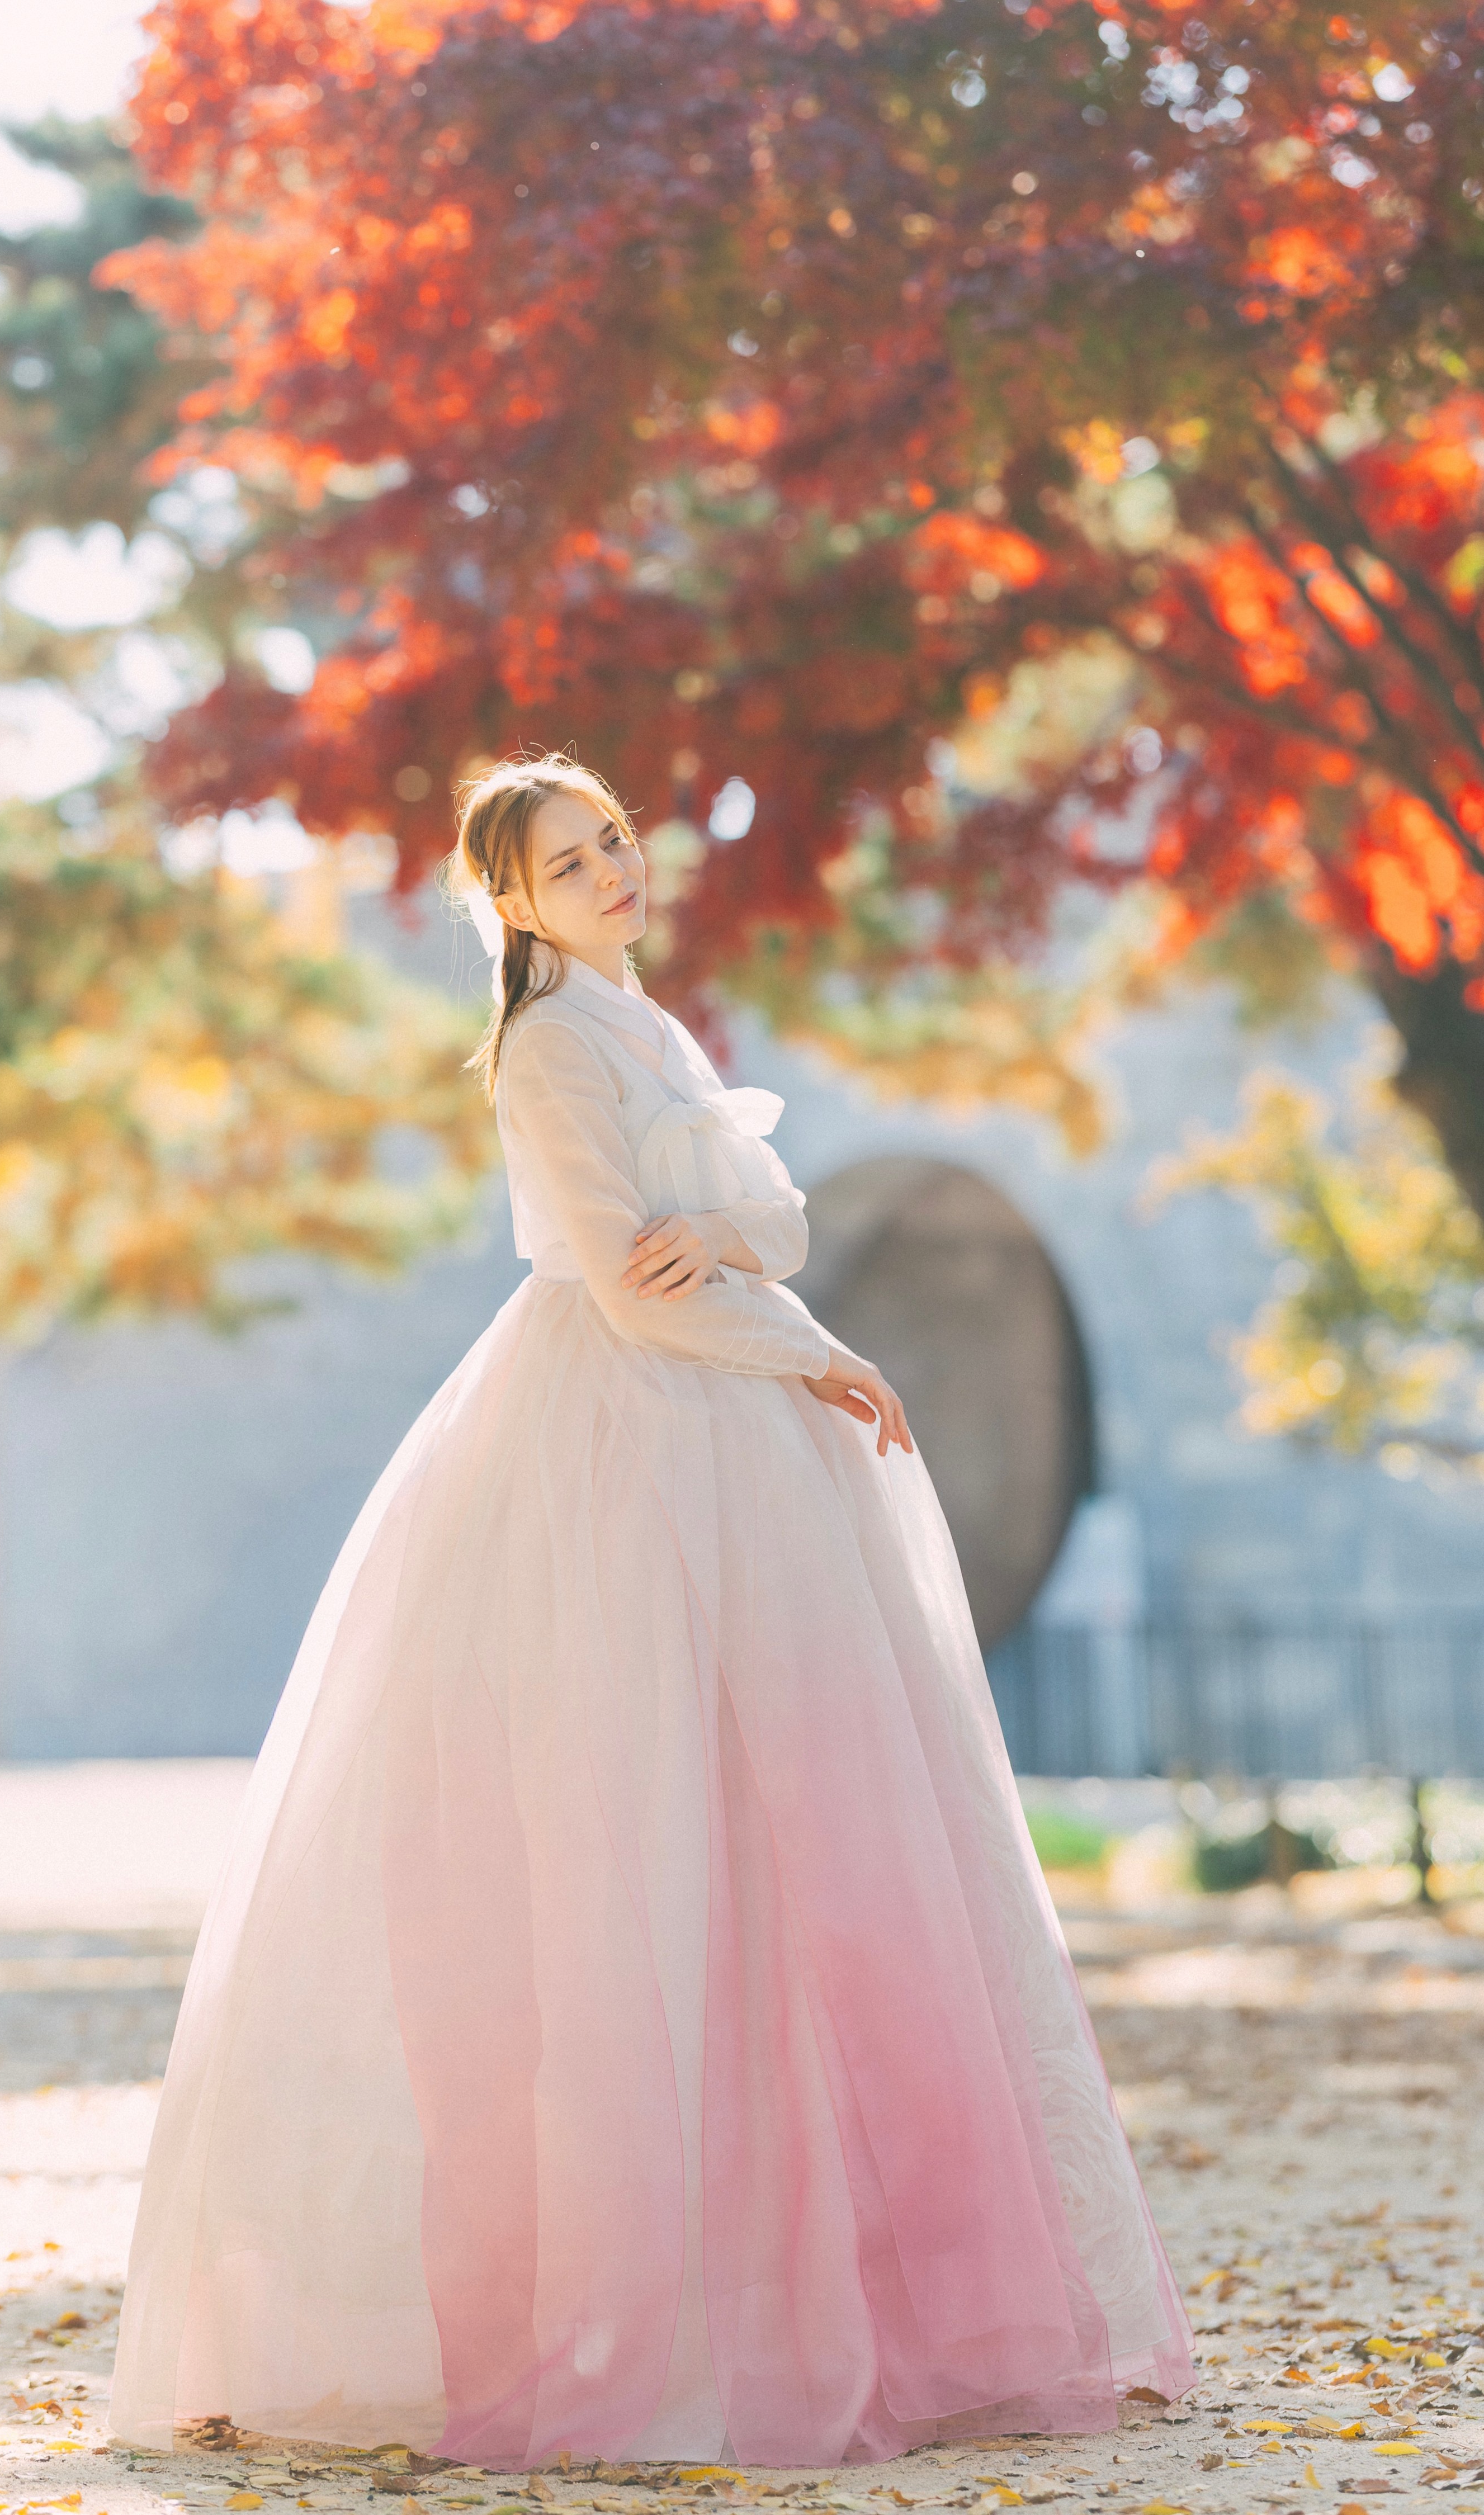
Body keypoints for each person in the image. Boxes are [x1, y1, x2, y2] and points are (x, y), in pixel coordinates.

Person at [110, 754, 1193, 2471]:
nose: (614, 865)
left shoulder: (652, 1024)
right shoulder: (547, 1049)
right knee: (638, 1864)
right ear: (510, 900)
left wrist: (739, 1250)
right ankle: (646, 2318)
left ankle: (832, 2297)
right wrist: (816, 1345)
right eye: (569, 855)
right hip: (615, 1450)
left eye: (614, 836)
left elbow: (771, 1215)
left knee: (792, 1862)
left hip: (729, 1440)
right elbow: (634, 1280)